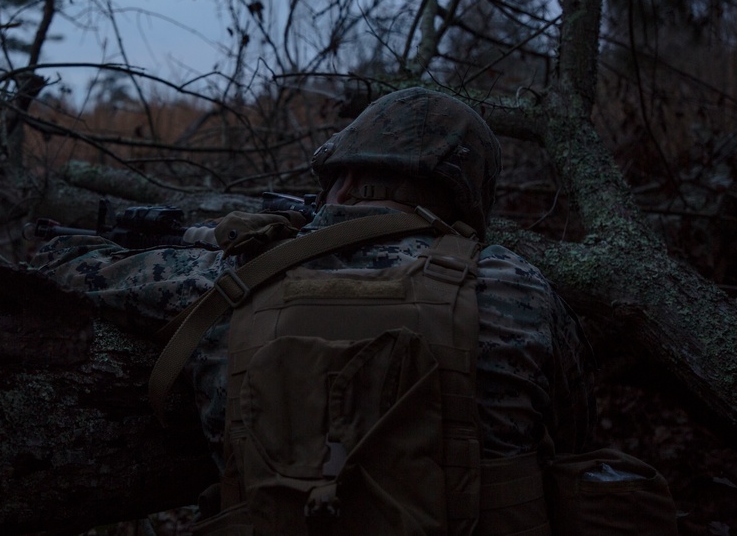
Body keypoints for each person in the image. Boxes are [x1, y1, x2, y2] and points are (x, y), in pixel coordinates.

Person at [30, 87, 596, 532]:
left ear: (343, 180)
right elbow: (574, 445)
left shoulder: (233, 278)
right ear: (465, 197)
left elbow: (64, 267)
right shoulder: (517, 287)